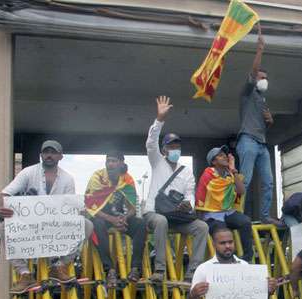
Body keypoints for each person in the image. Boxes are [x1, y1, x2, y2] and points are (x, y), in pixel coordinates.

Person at [0, 140, 94, 293]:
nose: (49, 155)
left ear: (61, 156)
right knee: (2, 227)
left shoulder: (67, 178)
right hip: (30, 227)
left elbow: (70, 206)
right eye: (46, 152)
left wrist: (79, 213)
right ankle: (25, 274)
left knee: (87, 224)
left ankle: (59, 266)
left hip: (55, 228)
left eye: (53, 152)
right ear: (41, 155)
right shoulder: (28, 172)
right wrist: (1, 207)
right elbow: (5, 193)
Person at [144, 96, 209, 281]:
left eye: (177, 146)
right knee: (161, 221)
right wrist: (160, 120)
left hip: (178, 217)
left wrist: (188, 205)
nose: (175, 149)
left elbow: (190, 194)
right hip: (155, 214)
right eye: (171, 146)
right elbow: (151, 142)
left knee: (202, 226)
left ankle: (192, 272)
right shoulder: (156, 162)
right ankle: (160, 270)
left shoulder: (186, 172)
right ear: (164, 149)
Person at [236, 23, 279, 226]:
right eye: (262, 77)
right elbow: (253, 73)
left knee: (268, 182)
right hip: (247, 140)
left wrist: (270, 122)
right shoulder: (247, 93)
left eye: (266, 78)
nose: (264, 81)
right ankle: (237, 213)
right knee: (245, 180)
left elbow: (264, 125)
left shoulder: (262, 100)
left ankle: (264, 215)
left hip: (261, 144)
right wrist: (260, 49)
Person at [84, 151, 145, 287]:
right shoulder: (98, 176)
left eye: (114, 161)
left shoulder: (127, 179)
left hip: (118, 216)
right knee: (97, 225)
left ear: (121, 163)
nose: (110, 164)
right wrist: (112, 220)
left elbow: (132, 208)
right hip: (100, 216)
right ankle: (109, 270)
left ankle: (135, 269)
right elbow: (90, 206)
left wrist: (124, 218)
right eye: (108, 161)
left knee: (140, 224)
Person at [187, 224, 278, 299]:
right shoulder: (203, 269)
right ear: (214, 244)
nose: (227, 246)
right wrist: (193, 295)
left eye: (230, 242)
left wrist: (267, 292)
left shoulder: (245, 266)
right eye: (222, 243)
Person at [196, 145, 253, 262]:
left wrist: (234, 171)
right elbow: (200, 196)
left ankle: (247, 258)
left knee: (245, 222)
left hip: (228, 212)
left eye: (225, 155)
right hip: (212, 215)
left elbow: (241, 191)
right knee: (223, 232)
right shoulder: (208, 174)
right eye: (221, 155)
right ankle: (226, 260)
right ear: (213, 161)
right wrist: (200, 219)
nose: (225, 157)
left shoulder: (230, 174)